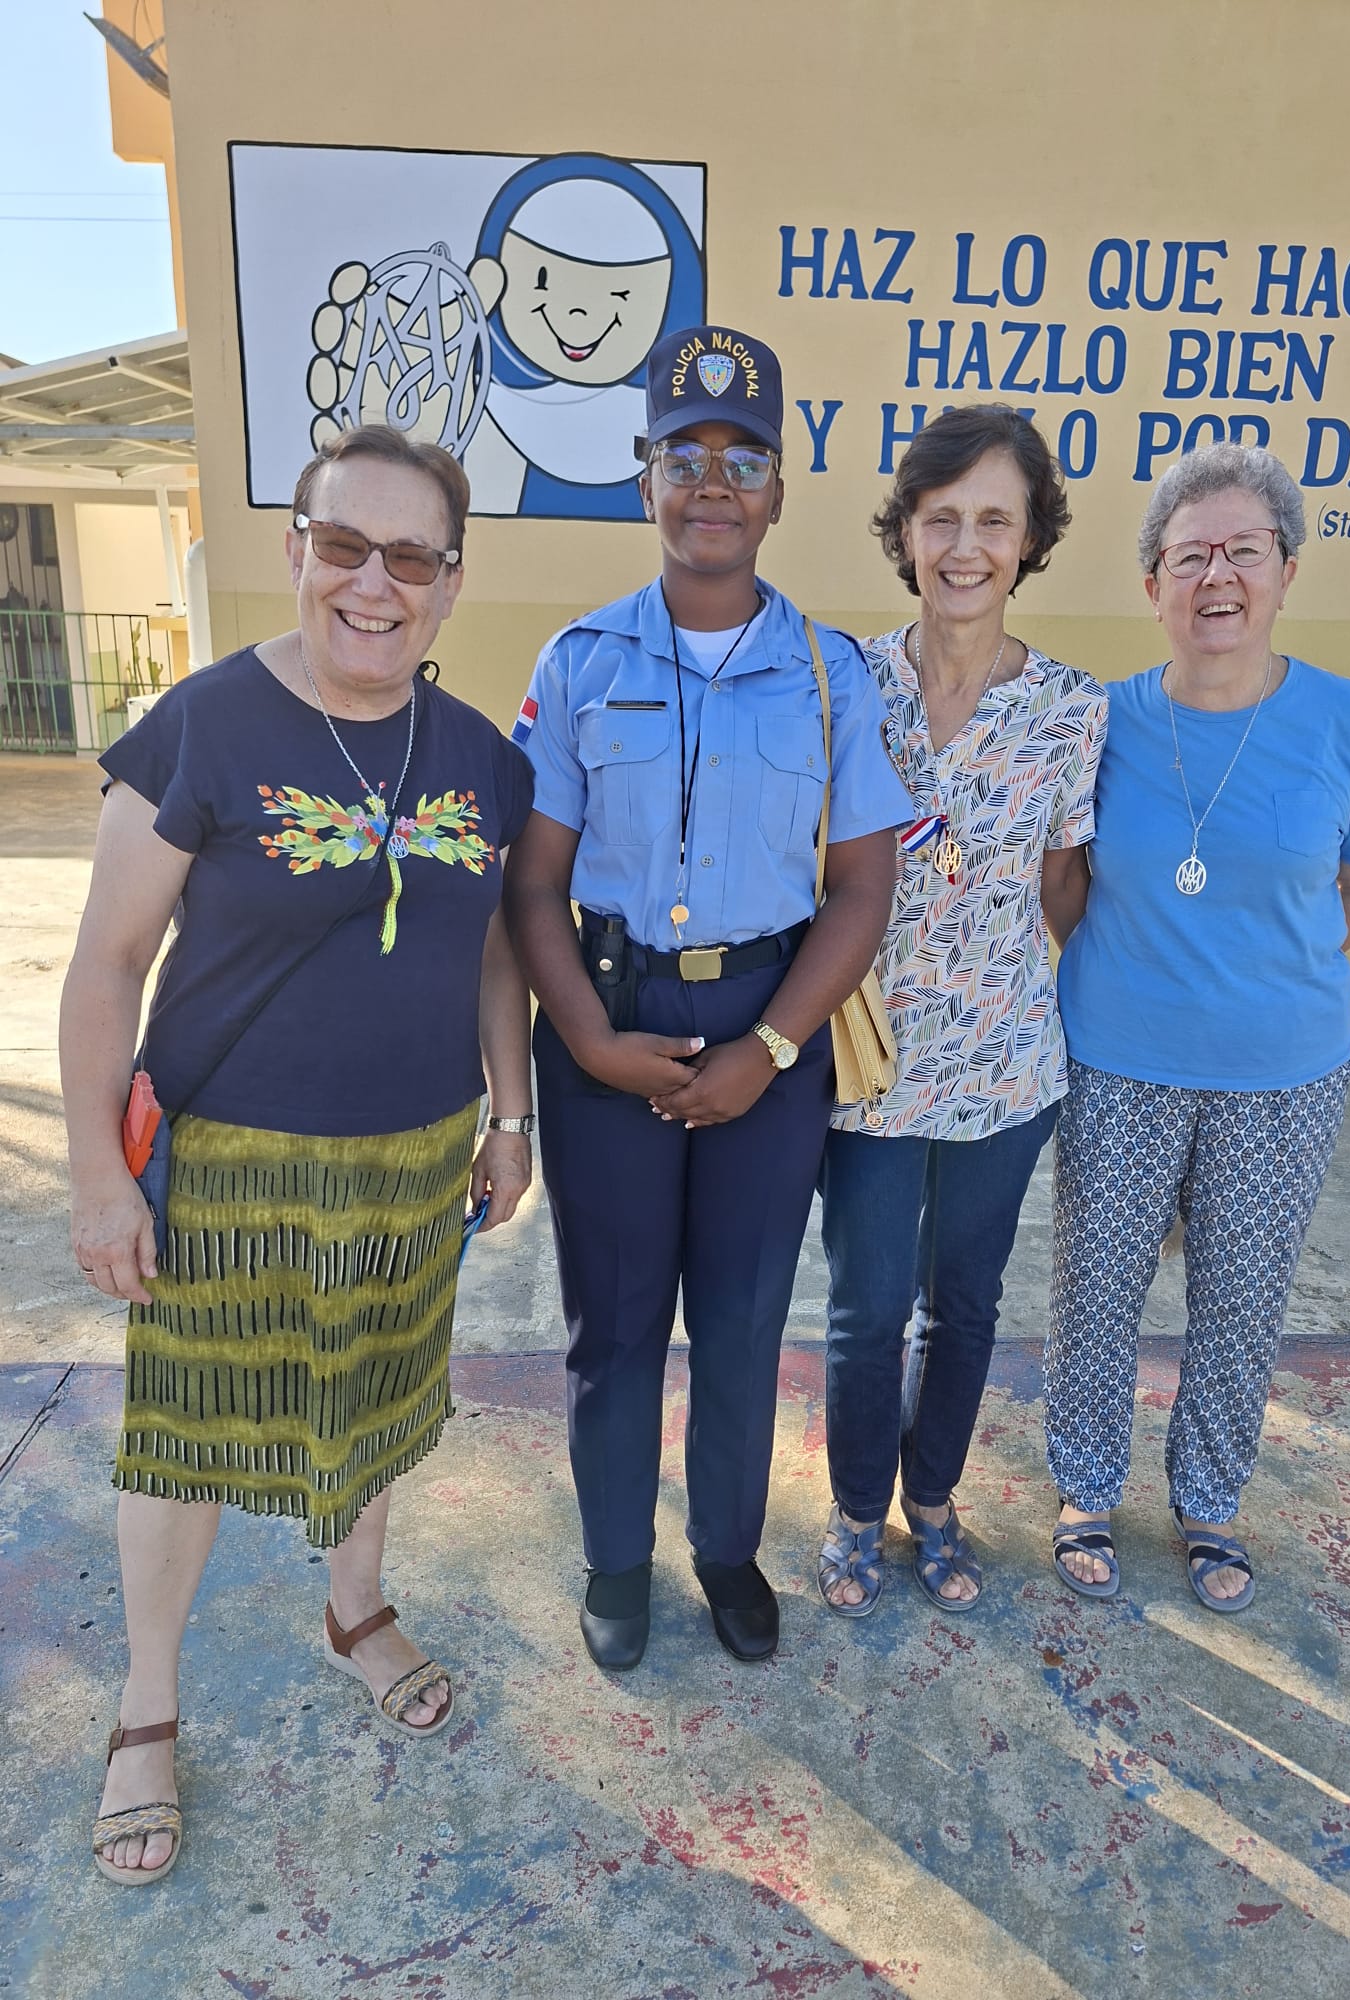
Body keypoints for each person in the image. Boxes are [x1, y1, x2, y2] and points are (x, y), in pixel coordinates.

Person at [61, 424, 535, 1883]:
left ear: (451, 582)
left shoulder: (482, 759)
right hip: (226, 1165)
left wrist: (510, 1115)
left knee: (380, 1403)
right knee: (187, 1433)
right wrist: (97, 1174)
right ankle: (148, 1705)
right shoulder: (203, 727)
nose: (374, 584)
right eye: (345, 546)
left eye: (412, 558)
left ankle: (355, 1610)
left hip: (412, 1164)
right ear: (297, 551)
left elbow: (495, 950)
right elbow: (107, 964)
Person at [505, 323, 911, 1671]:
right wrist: (586, 1039)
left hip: (768, 1033)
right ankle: (616, 1561)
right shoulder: (579, 664)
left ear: (780, 490)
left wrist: (773, 1045)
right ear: (645, 481)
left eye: (744, 458)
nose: (714, 483)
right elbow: (532, 884)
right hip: (606, 1022)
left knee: (740, 1324)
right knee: (615, 1325)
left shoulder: (829, 672)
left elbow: (861, 887)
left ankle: (727, 1550)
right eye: (685, 457)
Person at [1045, 443, 1350, 1611]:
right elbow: (1067, 881)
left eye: (1244, 551)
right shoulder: (1103, 721)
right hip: (1118, 1059)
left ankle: (1208, 1501)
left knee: (1242, 1299)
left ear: (1286, 570)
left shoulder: (1347, 719)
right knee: (1096, 1286)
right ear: (1152, 582)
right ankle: (1085, 1488)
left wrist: (1270, 973)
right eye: (1190, 554)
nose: (1217, 577)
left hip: (1282, 1072)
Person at [815, 406, 1107, 1618]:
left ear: (1030, 537)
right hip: (868, 1065)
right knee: (866, 1307)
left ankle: (932, 1500)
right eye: (943, 518)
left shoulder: (1071, 709)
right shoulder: (846, 680)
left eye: (995, 519)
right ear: (906, 534)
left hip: (1006, 1068)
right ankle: (854, 1511)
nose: (967, 546)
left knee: (966, 1302)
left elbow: (1065, 887)